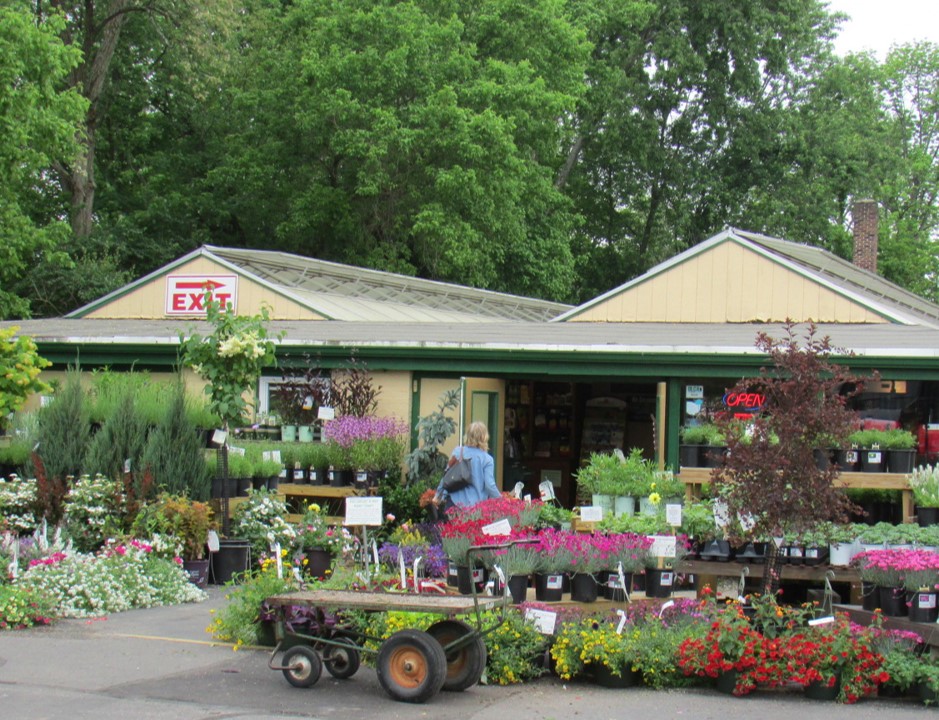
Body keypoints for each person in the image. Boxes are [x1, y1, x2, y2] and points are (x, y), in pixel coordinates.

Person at [436, 421, 501, 509]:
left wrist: (438, 495)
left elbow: (446, 476)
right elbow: (490, 485)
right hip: (475, 508)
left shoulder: (458, 452)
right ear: (484, 437)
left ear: (468, 436)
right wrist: (501, 500)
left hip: (454, 504)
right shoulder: (487, 459)